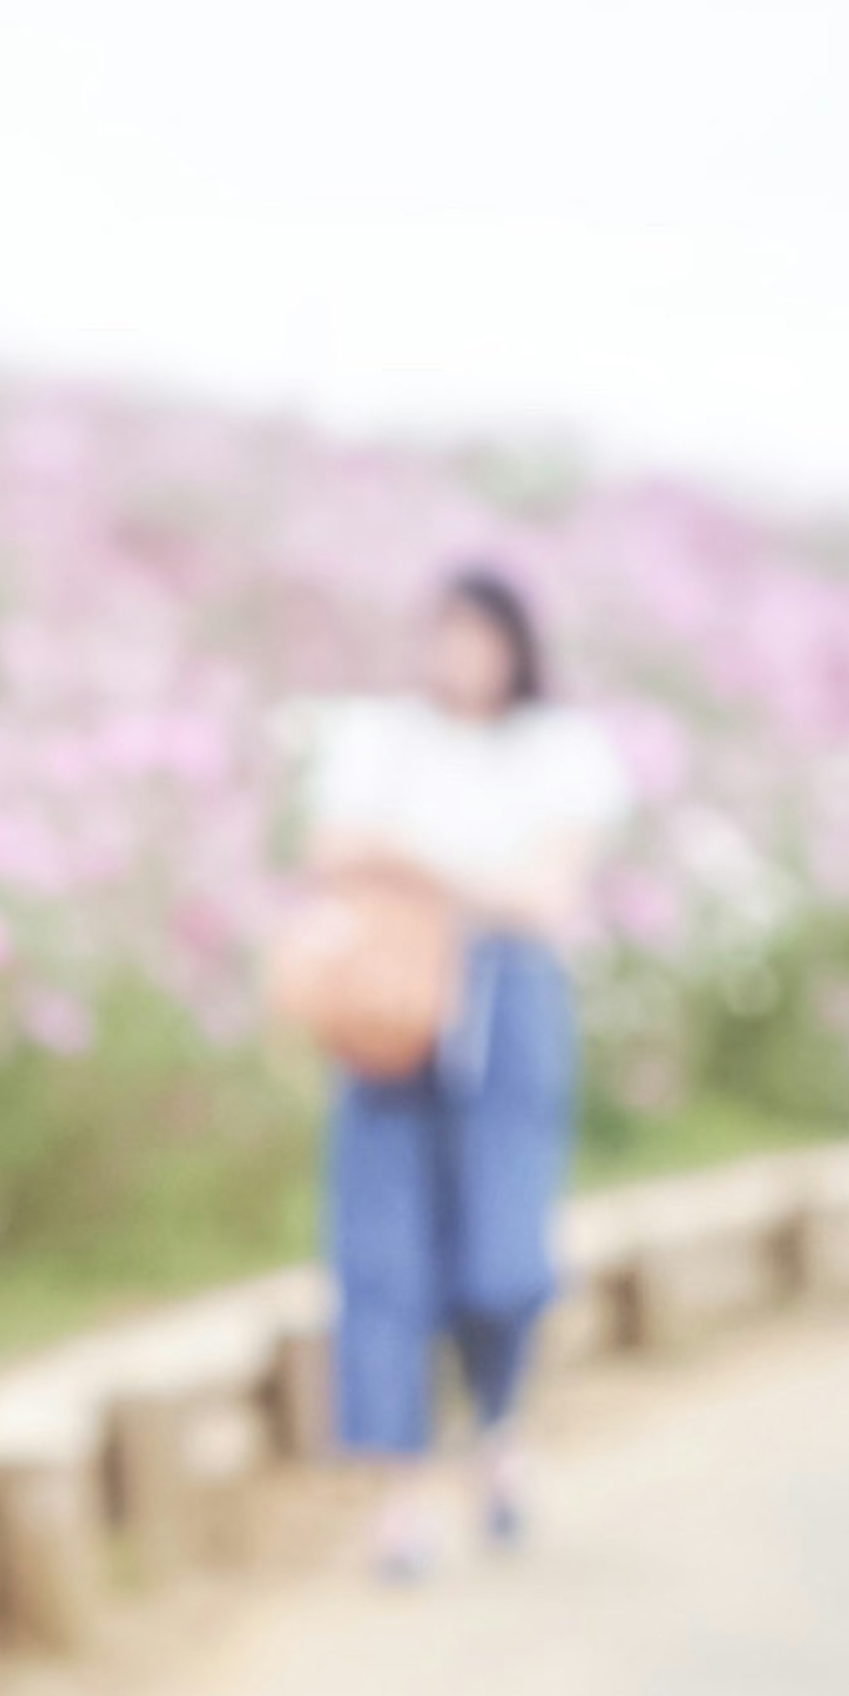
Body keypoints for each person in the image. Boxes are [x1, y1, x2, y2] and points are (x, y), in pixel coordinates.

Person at [303, 568, 634, 1577]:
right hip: (392, 1006)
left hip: (510, 1004)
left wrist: (409, 856)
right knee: (381, 1257)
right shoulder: (379, 734)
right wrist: (462, 876)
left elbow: (542, 895)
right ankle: (398, 1500)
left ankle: (496, 1433)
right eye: (445, 634)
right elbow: (331, 851)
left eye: (479, 637)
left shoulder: (561, 749)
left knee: (505, 1256)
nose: (460, 657)